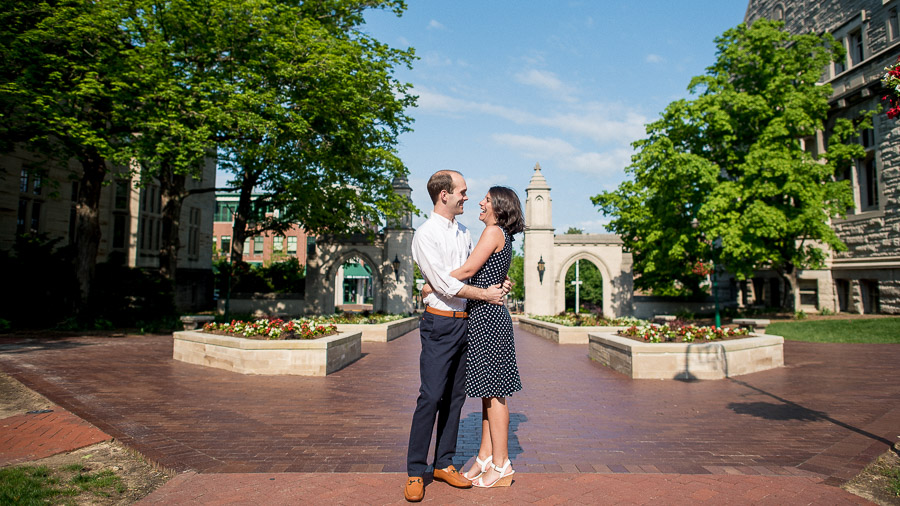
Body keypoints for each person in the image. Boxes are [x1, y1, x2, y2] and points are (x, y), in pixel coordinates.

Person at [404, 170, 509, 503]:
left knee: (456, 398)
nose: (467, 196)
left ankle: (444, 463)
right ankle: (416, 470)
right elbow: (449, 285)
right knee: (431, 396)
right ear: (443, 195)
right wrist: (483, 294)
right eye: (462, 192)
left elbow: (474, 271)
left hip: (467, 322)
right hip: (439, 324)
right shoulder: (424, 235)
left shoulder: (465, 233)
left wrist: (500, 284)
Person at [421, 186, 525, 488]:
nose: (481, 202)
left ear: (498, 207)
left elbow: (468, 268)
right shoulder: (500, 234)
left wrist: (433, 284)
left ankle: (502, 465)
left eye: (487, 200)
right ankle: (484, 458)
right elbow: (491, 273)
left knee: (494, 393)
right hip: (483, 318)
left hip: (488, 319)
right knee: (487, 392)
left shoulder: (493, 231)